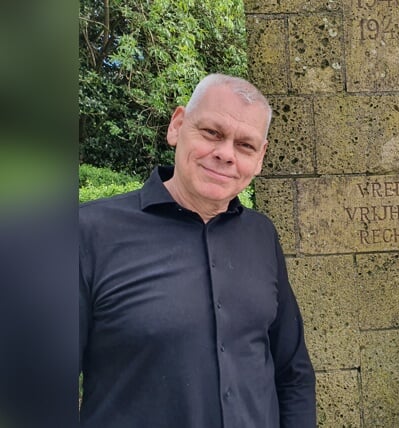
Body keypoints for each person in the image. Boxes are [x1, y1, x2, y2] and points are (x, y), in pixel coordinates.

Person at [79, 74, 316, 428]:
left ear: (260, 158)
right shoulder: (88, 233)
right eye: (212, 133)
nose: (225, 154)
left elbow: (292, 371)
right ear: (177, 126)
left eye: (246, 146)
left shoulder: (261, 235)